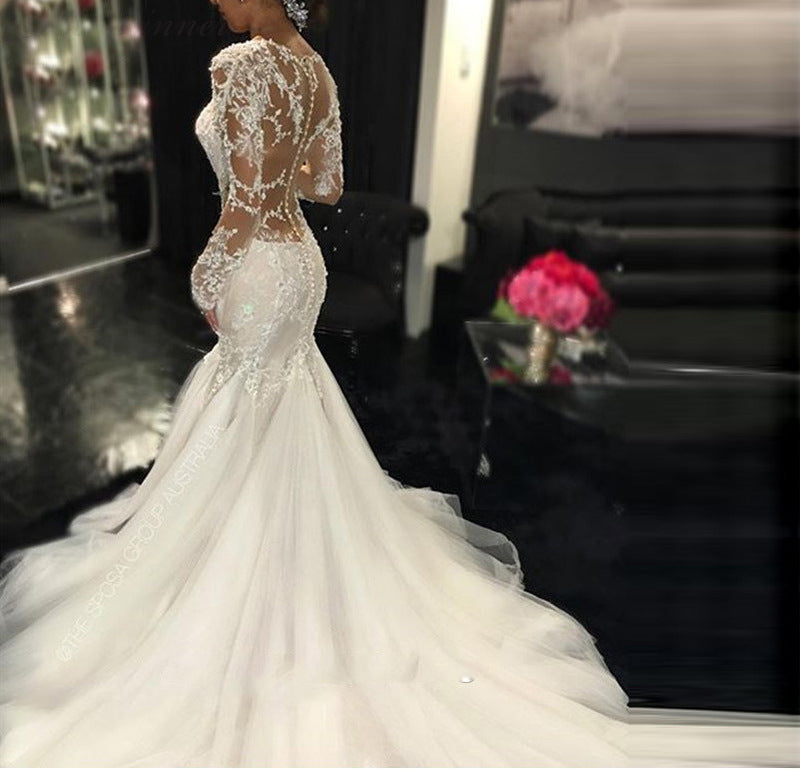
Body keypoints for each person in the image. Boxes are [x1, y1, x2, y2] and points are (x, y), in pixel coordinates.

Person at [0, 1, 796, 766]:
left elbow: (243, 199)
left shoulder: (239, 63)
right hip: (301, 266)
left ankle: (232, 567)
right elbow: (327, 186)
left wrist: (209, 270)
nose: (214, 0)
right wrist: (276, 176)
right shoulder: (316, 70)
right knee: (279, 404)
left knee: (238, 406)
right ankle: (287, 553)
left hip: (254, 263)